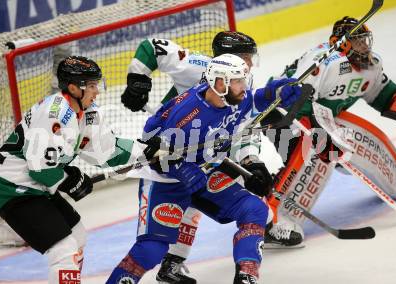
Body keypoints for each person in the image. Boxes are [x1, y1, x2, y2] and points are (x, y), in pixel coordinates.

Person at [120, 31, 301, 283]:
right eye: (245, 58)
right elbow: (156, 148)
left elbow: (244, 118)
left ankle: (247, 272)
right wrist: (137, 79)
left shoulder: (237, 85)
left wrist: (251, 160)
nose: (249, 66)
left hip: (204, 157)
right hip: (171, 163)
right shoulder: (195, 78)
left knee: (253, 207)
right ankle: (171, 261)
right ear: (223, 73)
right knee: (157, 243)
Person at [0, 56, 145, 284]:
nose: (96, 91)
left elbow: (105, 152)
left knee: (77, 237)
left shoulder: (87, 112)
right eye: (91, 86)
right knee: (64, 250)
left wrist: (144, 149)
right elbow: (39, 168)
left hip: (35, 187)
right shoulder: (55, 113)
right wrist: (69, 181)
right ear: (73, 88)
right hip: (11, 187)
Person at [263, 16, 396, 247]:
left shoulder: (371, 65)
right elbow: (297, 100)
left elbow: (389, 100)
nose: (364, 46)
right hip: (280, 115)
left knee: (359, 138)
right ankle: (275, 220)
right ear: (343, 43)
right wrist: (321, 134)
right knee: (312, 156)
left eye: (365, 40)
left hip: (324, 119)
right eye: (358, 40)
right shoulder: (325, 62)